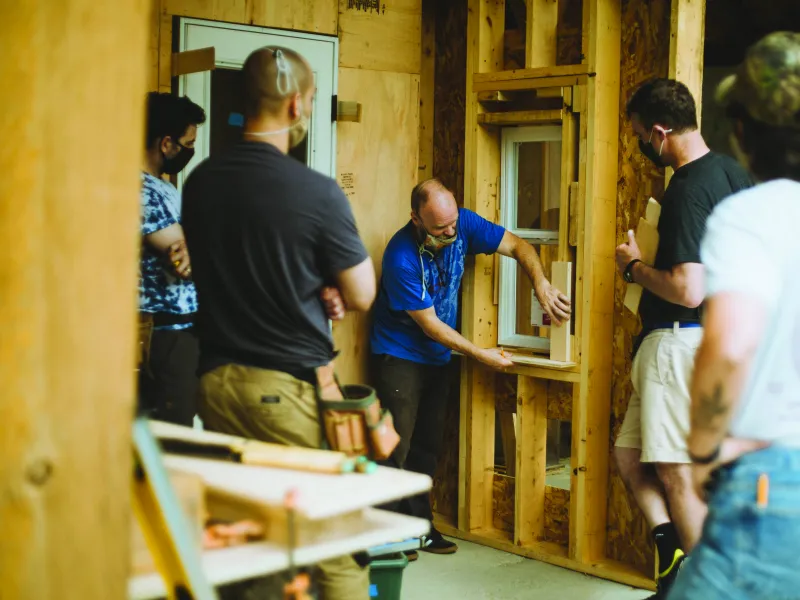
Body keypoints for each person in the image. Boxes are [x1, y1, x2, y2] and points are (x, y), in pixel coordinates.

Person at [182, 46, 375, 600]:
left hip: (214, 382)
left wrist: (309, 285)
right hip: (284, 388)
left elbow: (233, 265)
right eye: (311, 102)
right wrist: (327, 288)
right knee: (330, 536)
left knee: (252, 538)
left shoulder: (201, 182)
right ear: (296, 105)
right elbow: (362, 292)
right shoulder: (315, 192)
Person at [369, 178, 572, 557]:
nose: (449, 232)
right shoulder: (401, 257)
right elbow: (429, 325)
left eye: (452, 223)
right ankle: (385, 537)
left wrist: (540, 283)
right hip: (399, 355)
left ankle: (419, 528)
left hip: (437, 356)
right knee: (395, 447)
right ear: (416, 219)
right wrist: (480, 354)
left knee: (427, 449)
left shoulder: (463, 224)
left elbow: (518, 245)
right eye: (439, 228)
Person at [668, 31, 800, 600]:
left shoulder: (750, 217)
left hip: (775, 483)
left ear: (741, 131)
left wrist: (702, 452)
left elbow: (726, 346)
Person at [613, 78, 753, 598]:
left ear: (659, 131)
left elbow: (686, 286)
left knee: (678, 478)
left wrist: (633, 268)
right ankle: (672, 554)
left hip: (678, 341)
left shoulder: (687, 188)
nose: (642, 147)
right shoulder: (733, 176)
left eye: (640, 137)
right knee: (630, 455)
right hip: (710, 346)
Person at [139, 92, 206, 426]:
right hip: (164, 333)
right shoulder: (139, 190)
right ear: (166, 143)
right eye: (187, 143)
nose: (190, 151)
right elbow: (186, 261)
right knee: (171, 437)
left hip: (183, 331)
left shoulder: (162, 187)